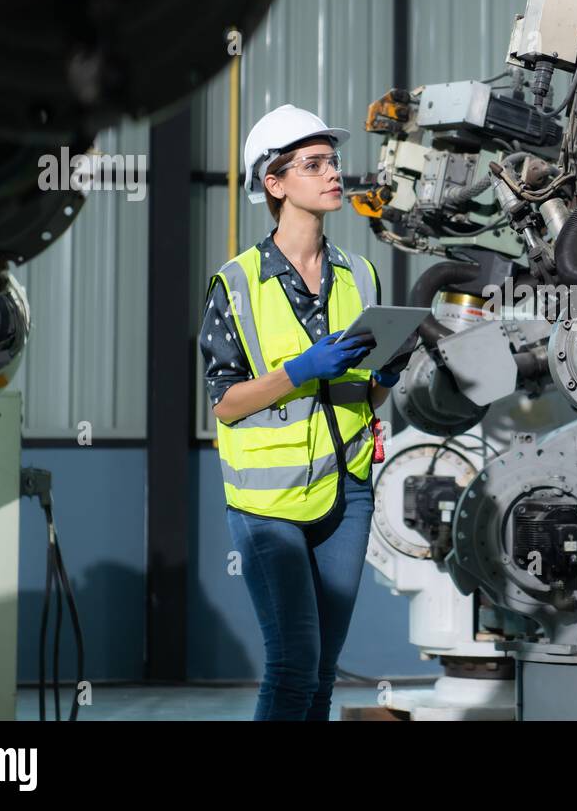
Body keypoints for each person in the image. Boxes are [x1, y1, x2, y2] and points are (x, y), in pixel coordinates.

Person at [199, 104, 403, 720]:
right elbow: (225, 403)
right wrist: (298, 372)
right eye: (313, 165)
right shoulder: (233, 284)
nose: (332, 174)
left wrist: (385, 378)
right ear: (275, 182)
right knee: (292, 666)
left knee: (319, 675)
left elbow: (363, 395)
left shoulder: (359, 275)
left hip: (347, 491)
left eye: (333, 162)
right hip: (269, 503)